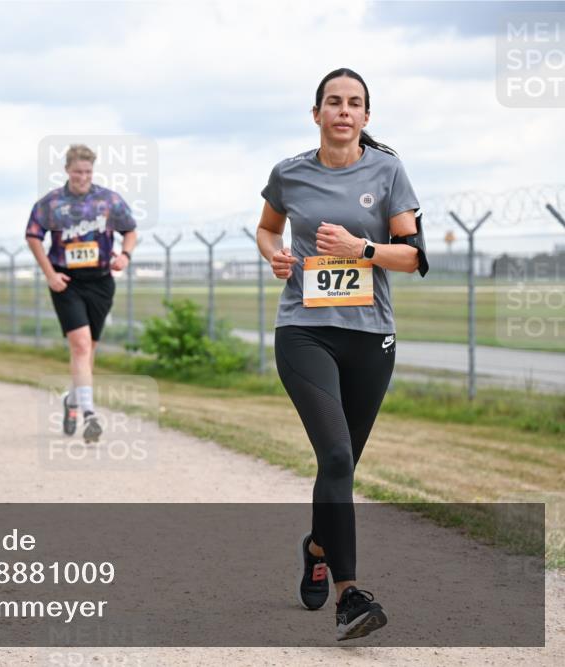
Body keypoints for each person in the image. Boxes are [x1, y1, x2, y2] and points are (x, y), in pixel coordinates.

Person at [255, 68, 428, 642]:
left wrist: (363, 248)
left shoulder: (388, 171)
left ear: (366, 117)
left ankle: (316, 548)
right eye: (334, 102)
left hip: (370, 337)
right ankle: (349, 596)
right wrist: (276, 257)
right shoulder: (289, 173)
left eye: (355, 103)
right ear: (317, 113)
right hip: (304, 330)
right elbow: (266, 229)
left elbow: (414, 258)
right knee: (334, 454)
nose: (344, 111)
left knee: (342, 464)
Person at [25, 144, 137, 443]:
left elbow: (130, 230)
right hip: (67, 281)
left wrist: (124, 255)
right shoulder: (50, 203)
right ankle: (89, 413)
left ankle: (70, 400)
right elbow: (33, 235)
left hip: (100, 280)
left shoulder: (108, 200)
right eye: (77, 172)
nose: (82, 177)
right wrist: (49, 273)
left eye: (87, 172)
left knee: (89, 351)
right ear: (67, 170)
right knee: (80, 345)